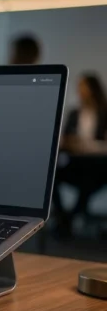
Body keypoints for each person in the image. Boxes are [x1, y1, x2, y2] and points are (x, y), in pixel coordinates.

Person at [52, 73, 107, 237]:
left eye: (83, 87)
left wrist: (88, 145)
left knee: (90, 181)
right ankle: (64, 217)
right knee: (52, 176)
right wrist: (71, 143)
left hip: (99, 167)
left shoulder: (104, 113)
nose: (80, 91)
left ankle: (67, 220)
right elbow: (66, 138)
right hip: (76, 163)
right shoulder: (74, 113)